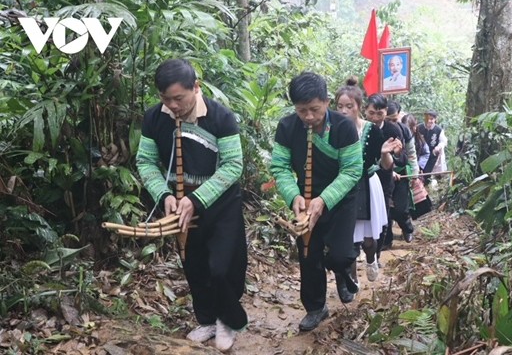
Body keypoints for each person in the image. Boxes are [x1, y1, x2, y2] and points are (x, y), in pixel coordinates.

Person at [136, 59, 248, 352]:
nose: (173, 105)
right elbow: (146, 161)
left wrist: (197, 199)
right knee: (194, 264)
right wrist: (165, 195)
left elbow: (234, 165)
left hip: (220, 203)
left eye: (179, 98)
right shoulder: (153, 118)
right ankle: (207, 318)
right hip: (179, 204)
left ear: (195, 88)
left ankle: (228, 320)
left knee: (221, 266)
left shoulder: (220, 116)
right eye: (166, 99)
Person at [270, 72, 363, 331]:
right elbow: (279, 167)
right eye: (302, 111)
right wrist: (293, 195)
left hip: (340, 197)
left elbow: (352, 171)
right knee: (309, 254)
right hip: (305, 199)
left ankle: (343, 272)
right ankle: (316, 307)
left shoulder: (344, 127)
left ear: (327, 101)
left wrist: (325, 199)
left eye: (314, 109)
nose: (309, 117)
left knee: (340, 254)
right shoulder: (287, 127)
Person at [334, 77, 402, 289]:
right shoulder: (332, 130)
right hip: (342, 186)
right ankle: (352, 280)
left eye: (349, 106)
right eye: (340, 106)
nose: (344, 111)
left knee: (368, 238)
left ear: (358, 108)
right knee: (349, 237)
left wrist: (384, 153)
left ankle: (371, 259)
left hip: (367, 186)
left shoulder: (372, 131)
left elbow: (385, 165)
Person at [363, 95, 407, 265]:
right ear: (365, 110)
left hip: (384, 179)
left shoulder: (393, 130)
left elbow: (402, 158)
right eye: (371, 113)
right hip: (363, 178)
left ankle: (377, 254)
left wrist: (395, 154)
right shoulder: (360, 128)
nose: (374, 118)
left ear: (385, 112)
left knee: (383, 218)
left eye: (379, 114)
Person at [382, 101, 420, 247]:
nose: (391, 123)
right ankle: (386, 240)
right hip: (384, 174)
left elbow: (411, 153)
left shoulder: (404, 130)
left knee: (400, 208)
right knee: (385, 209)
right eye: (388, 119)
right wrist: (388, 172)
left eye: (394, 119)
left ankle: (407, 228)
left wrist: (414, 173)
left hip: (402, 173)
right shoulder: (377, 129)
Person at [401, 113, 432, 220]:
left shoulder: (419, 140)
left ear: (414, 128)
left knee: (418, 198)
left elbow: (426, 153)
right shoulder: (399, 137)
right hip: (402, 171)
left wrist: (418, 166)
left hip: (415, 172)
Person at [417, 110, 448, 183]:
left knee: (427, 174)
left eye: (431, 119)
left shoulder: (438, 130)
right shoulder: (419, 127)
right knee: (418, 172)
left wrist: (438, 147)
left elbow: (443, 141)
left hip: (432, 155)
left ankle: (426, 186)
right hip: (420, 154)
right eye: (427, 119)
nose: (429, 121)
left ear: (435, 119)